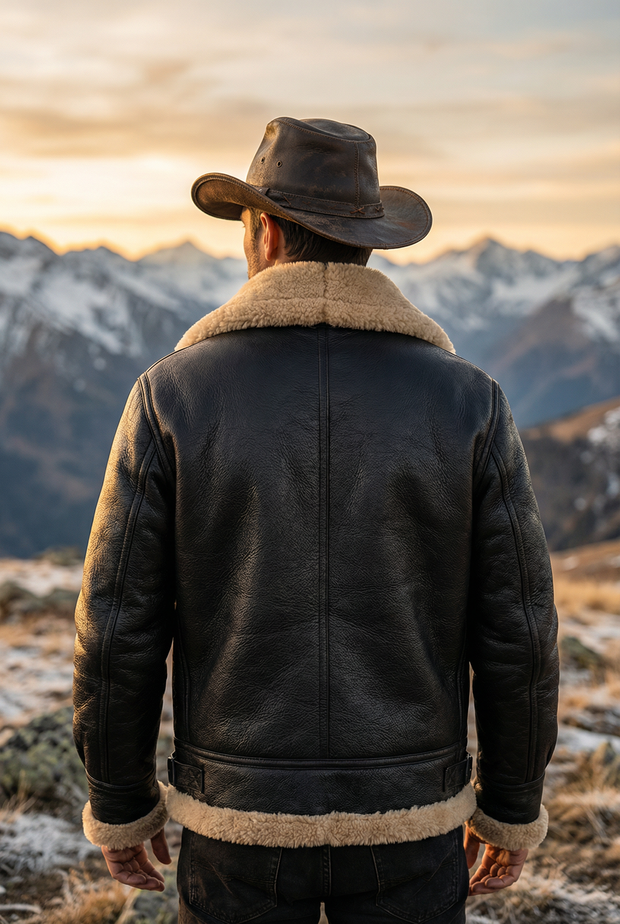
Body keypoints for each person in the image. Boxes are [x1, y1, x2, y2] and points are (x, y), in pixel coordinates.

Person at [73, 117, 559, 924]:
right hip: (412, 819)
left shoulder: (171, 396)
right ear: (369, 243)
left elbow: (117, 626)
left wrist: (122, 803)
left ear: (262, 232)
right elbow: (519, 629)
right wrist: (510, 804)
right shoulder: (469, 400)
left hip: (236, 821)